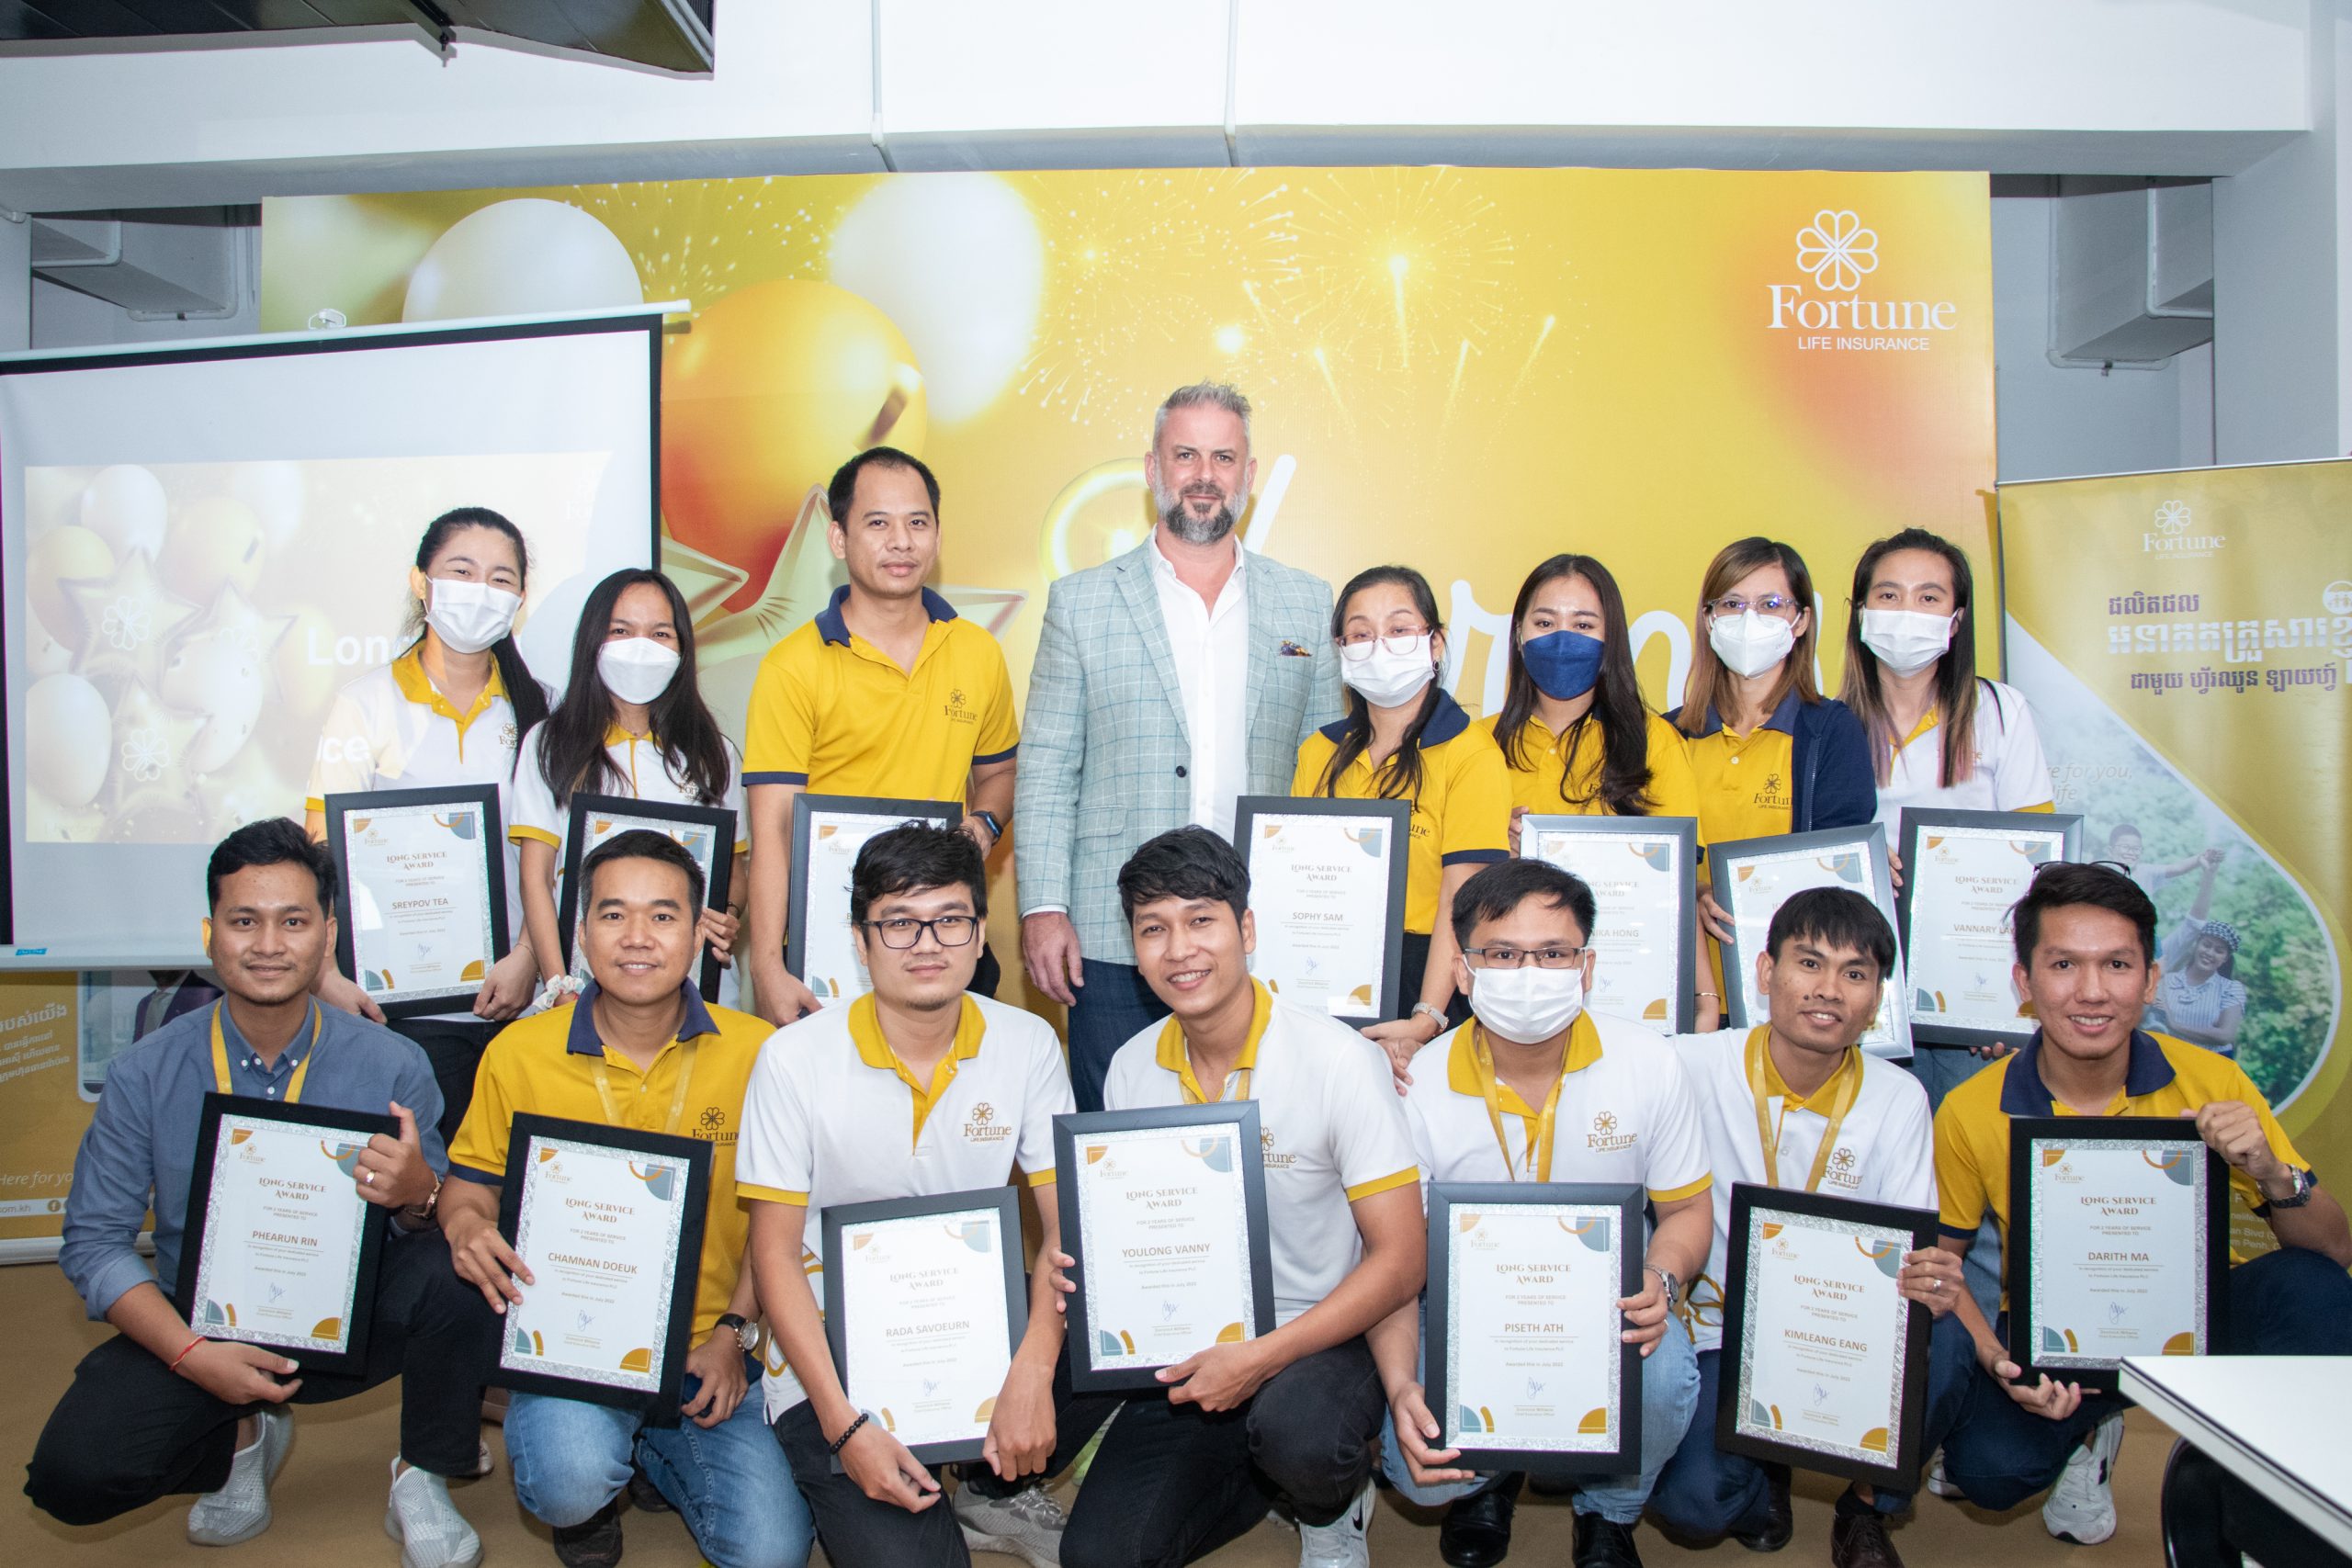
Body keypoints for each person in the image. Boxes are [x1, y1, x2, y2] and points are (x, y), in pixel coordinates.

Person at [26, 818, 495, 1566]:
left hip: (353, 1320)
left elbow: (436, 1215)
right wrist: (189, 1353)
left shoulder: (393, 1063)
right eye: (244, 921)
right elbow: (94, 1242)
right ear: (210, 934)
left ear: (328, 934)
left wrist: (420, 1191)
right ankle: (244, 1436)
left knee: (458, 1260)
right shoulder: (145, 1073)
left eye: (294, 921)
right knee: (72, 1475)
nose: (269, 944)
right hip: (205, 1324)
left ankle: (422, 1471)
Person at [1922, 862, 2352, 1548]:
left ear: (2151, 981)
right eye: (2064, 964)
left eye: (2117, 964)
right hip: (2059, 1333)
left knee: (2314, 1287)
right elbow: (1941, 1267)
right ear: (2024, 983)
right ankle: (2091, 1429)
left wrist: (2270, 1171)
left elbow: (2335, 1249)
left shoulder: (2214, 1080)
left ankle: (2272, 1489)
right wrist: (1999, 1358)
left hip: (2201, 1318)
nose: (2092, 991)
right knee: (1989, 1469)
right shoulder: (1971, 1109)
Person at [438, 831, 811, 1568]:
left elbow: (778, 1221)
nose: (637, 936)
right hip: (573, 1343)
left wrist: (733, 1333)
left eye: (663, 915)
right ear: (581, 933)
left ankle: (649, 1452)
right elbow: (467, 1185)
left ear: (699, 932)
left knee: (771, 1552)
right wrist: (465, 1225)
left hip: (709, 1345)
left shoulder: (760, 1053)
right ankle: (597, 1487)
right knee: (569, 1479)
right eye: (613, 914)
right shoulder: (519, 1051)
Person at [1055, 828, 1424, 1568]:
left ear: (1246, 929)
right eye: (1153, 929)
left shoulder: (1338, 1061)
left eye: (1201, 920)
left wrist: (1262, 1356)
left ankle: (1328, 1504)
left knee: (1301, 1435)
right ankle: (1258, 1480)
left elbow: (1403, 1259)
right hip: (1194, 1338)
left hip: (1323, 1332)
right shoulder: (1130, 1068)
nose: (1179, 949)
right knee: (1099, 1557)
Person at [737, 823, 1094, 1568]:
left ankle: (988, 1490)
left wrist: (1033, 1370)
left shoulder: (1028, 1043)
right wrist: (843, 1425)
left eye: (950, 919)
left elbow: (1068, 1230)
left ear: (979, 934)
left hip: (976, 1325)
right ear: (860, 941)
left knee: (1125, 1307)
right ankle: (836, 1457)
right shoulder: (793, 1059)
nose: (927, 943)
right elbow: (773, 1255)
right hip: (834, 1353)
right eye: (898, 922)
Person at [1017, 383, 1344, 1111]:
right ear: (1152, 468)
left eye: (1223, 457)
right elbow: (1045, 768)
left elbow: (1328, 771)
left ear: (1248, 474)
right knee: (1120, 1143)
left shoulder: (1305, 601)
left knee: (1266, 1135)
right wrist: (1042, 905)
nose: (1204, 474)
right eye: (1185, 454)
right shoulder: (1081, 602)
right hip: (1112, 936)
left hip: (1257, 931)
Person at [1377, 859, 1709, 1568]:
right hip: (1464, 1308)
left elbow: (1687, 1209)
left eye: (1553, 953)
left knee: (1664, 1378)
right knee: (1413, 1466)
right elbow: (1394, 1260)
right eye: (1502, 953)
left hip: (1606, 1300)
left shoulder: (1648, 1062)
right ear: (1463, 971)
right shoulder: (1416, 1087)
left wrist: (1662, 1276)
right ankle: (1490, 1479)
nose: (1529, 973)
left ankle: (1607, 1511)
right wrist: (1403, 1382)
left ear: (1587, 967)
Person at [1651, 887, 1957, 1568]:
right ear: (1766, 972)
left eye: (1856, 973)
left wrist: (1930, 1277)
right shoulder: (1691, 1064)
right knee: (1693, 1502)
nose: (1829, 990)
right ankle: (1763, 1473)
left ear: (1877, 997)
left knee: (1948, 1339)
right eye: (1809, 963)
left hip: (1835, 1334)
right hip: (1720, 1333)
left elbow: (1909, 1247)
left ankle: (1866, 1504)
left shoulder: (1900, 1097)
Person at [741, 447, 1020, 1025]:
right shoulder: (791, 667)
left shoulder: (978, 652)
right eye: (878, 523)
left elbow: (1000, 772)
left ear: (937, 536)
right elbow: (772, 829)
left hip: (947, 931)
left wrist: (984, 826)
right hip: (831, 939)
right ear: (838, 538)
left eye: (917, 522)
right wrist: (767, 965)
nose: (901, 541)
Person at [307, 505, 552, 1146]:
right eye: (461, 571)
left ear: (520, 599)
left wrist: (528, 958)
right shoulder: (363, 705)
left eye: (501, 578)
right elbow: (321, 854)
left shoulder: (544, 712)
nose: (480, 591)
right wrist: (327, 976)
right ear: (421, 581)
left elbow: (560, 860)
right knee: (416, 1184)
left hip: (519, 1002)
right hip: (398, 1013)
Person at [1839, 528, 2053, 1109]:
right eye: (1888, 595)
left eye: (1928, 597)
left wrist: (2011, 1004)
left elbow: (2038, 867)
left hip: (1973, 994)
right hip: (1859, 985)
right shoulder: (1829, 723)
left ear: (1956, 620)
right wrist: (1855, 857)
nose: (1906, 612)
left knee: (1967, 1151)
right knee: (1869, 1146)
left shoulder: (2000, 712)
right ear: (1860, 612)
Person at [1293, 565, 1510, 1079]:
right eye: (1361, 634)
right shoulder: (1318, 751)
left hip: (1429, 976)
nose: (1379, 646)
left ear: (1435, 643)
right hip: (1328, 968)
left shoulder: (1471, 753)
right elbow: (1297, 884)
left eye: (1399, 629)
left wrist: (1426, 1017)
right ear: (1341, 649)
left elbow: (1463, 894)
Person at [1483, 553, 1713, 1032]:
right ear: (1519, 635)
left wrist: (1704, 998)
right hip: (1503, 995)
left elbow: (1677, 890)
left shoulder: (1655, 742)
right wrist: (1493, 849)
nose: (1562, 639)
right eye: (1545, 622)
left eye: (1584, 624)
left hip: (1626, 997)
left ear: (1612, 640)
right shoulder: (1478, 745)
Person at [510, 567, 746, 1008]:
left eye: (660, 634)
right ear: (592, 641)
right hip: (583, 986)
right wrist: (560, 984)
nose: (641, 647)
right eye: (621, 631)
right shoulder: (550, 744)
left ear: (682, 648)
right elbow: (536, 879)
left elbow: (733, 870)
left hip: (696, 989)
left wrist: (729, 914)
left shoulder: (714, 752)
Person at [1670, 537, 1875, 1011]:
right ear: (1709, 618)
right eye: (1732, 604)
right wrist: (1697, 892)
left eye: (1770, 604)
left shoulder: (1831, 732)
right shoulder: (1668, 736)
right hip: (1688, 994)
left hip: (1793, 1001)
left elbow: (1837, 877)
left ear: (1800, 620)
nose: (1749, 619)